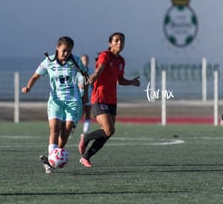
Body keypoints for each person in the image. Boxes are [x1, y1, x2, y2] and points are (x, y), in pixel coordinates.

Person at [21, 36, 86, 173]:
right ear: (57, 48)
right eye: (64, 50)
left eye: (69, 51)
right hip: (56, 100)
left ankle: (54, 157)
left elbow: (84, 75)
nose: (66, 54)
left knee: (66, 131)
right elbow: (35, 76)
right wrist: (28, 87)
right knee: (54, 128)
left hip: (73, 100)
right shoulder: (48, 61)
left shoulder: (76, 61)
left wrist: (85, 81)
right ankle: (51, 160)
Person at [78, 32, 140, 167]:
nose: (119, 43)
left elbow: (120, 80)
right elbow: (100, 69)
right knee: (108, 130)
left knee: (108, 133)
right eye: (116, 40)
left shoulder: (121, 61)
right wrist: (94, 76)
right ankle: (86, 137)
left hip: (112, 100)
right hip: (100, 98)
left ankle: (85, 157)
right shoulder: (105, 55)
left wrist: (131, 82)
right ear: (110, 43)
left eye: (122, 41)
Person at [80, 54, 92, 134]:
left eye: (86, 59)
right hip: (79, 96)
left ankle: (85, 131)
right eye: (84, 60)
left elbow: (93, 83)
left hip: (88, 96)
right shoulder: (78, 71)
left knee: (88, 113)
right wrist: (80, 85)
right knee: (78, 114)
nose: (85, 61)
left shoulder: (90, 71)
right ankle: (71, 127)